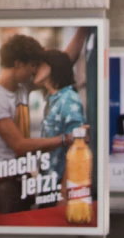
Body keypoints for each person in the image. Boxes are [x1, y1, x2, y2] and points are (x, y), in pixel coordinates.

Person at [0, 30, 89, 213]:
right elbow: (19, 145)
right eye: (33, 65)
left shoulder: (20, 87)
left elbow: (62, 63)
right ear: (18, 64)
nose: (35, 70)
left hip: (16, 173)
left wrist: (82, 31)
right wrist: (66, 139)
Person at [35, 50, 87, 185]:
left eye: (38, 65)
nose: (34, 69)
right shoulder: (52, 100)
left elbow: (77, 146)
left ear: (50, 67)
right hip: (49, 182)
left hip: (61, 184)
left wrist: (65, 189)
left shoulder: (68, 99)